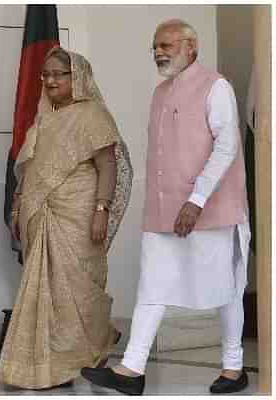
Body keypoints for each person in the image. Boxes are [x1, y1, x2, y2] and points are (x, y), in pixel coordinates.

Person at [81, 19, 250, 395]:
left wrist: (196, 200)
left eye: (167, 45)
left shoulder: (215, 86)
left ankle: (234, 369)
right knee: (151, 287)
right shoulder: (160, 92)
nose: (159, 52)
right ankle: (132, 370)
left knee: (226, 289)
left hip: (209, 210)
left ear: (192, 47)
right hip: (163, 212)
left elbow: (227, 146)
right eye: (155, 46)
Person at [0, 46, 133, 390]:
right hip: (41, 212)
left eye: (59, 73)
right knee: (47, 289)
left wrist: (101, 210)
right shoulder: (45, 117)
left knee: (78, 286)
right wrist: (18, 206)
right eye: (46, 74)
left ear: (79, 78)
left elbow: (108, 166)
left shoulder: (93, 116)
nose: (50, 80)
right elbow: (31, 169)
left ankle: (89, 347)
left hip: (80, 212)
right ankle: (49, 362)